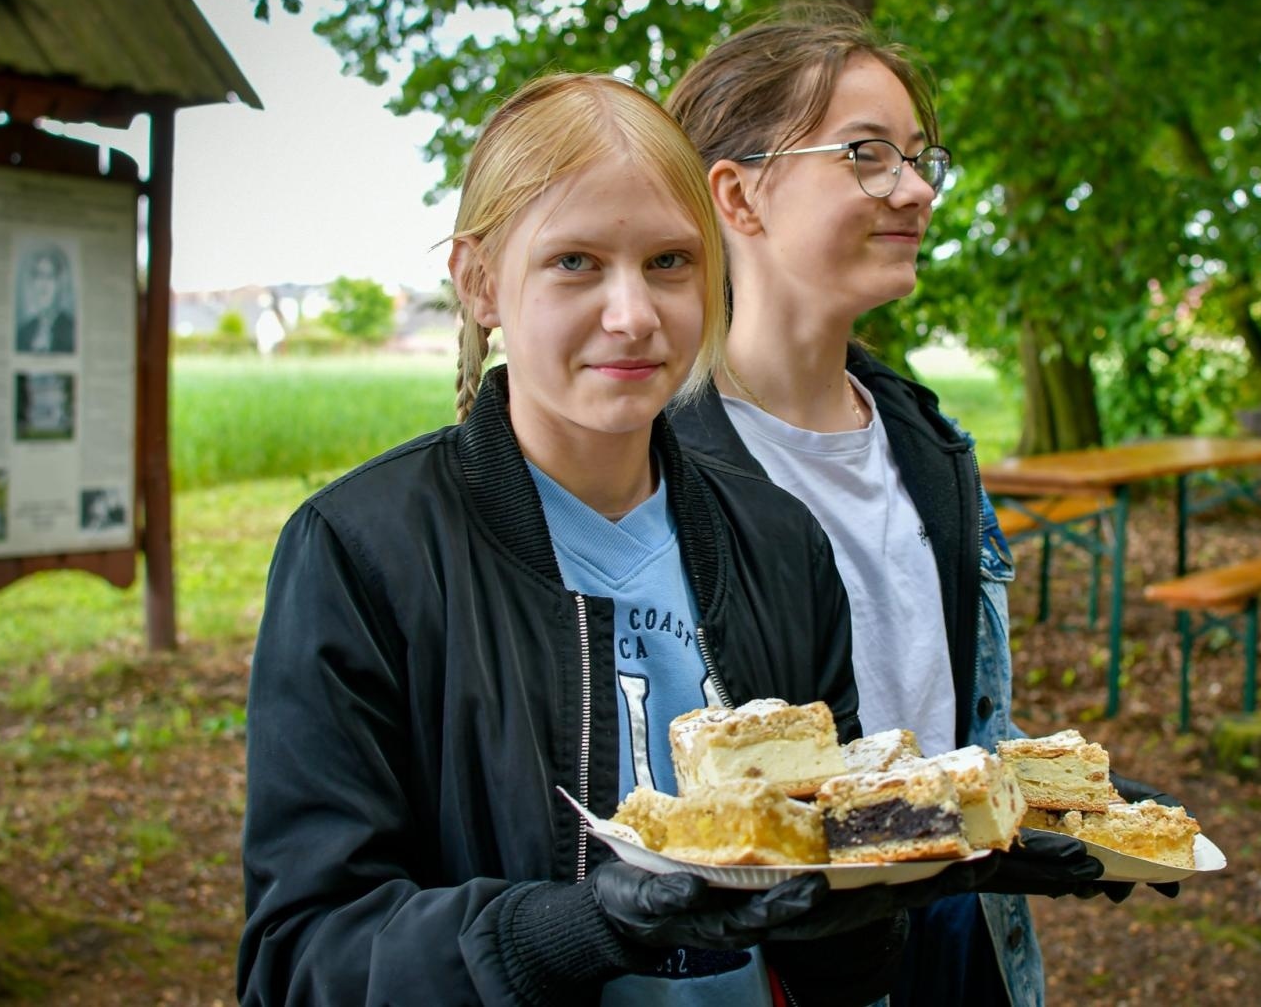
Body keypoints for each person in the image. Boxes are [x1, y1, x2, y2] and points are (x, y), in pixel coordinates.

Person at [237, 73, 947, 1006]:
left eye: (669, 262)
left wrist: (912, 873)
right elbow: (303, 958)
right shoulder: (361, 553)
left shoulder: (779, 544)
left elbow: (836, 940)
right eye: (575, 262)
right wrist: (581, 930)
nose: (634, 315)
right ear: (480, 280)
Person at [666, 8, 1184, 1007]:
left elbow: (946, 720)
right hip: (774, 960)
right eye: (866, 155)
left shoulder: (927, 443)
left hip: (962, 924)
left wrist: (1068, 807)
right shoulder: (656, 465)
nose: (916, 190)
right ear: (739, 194)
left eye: (917, 157)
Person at [14, 244, 76, 354]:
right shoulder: (23, 332)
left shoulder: (72, 330)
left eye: (49, 276)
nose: (43, 285)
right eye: (39, 276)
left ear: (59, 284)